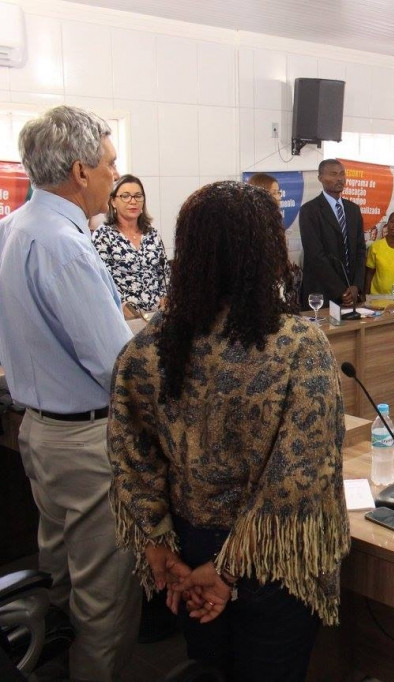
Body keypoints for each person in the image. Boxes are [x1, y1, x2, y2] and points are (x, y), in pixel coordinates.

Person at [108, 181, 349, 680]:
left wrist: (159, 546)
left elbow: (130, 456)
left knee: (209, 670)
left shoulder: (149, 345)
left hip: (188, 552)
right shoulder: (296, 344)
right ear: (265, 253)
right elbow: (298, 474)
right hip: (271, 564)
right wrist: (227, 572)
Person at [0, 105, 140, 680]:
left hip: (37, 428)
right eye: (111, 164)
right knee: (103, 599)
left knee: (60, 574)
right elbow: (116, 366)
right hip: (84, 440)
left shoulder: (15, 227)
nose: (115, 175)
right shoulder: (64, 244)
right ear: (81, 171)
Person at [92, 174, 169, 315]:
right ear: (113, 201)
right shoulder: (103, 235)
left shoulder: (152, 234)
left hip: (156, 317)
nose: (133, 201)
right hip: (123, 317)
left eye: (138, 196)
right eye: (125, 196)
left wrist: (166, 299)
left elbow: (164, 274)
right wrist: (123, 309)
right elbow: (100, 282)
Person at [299, 159, 366, 307]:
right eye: (334, 174)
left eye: (342, 174)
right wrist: (342, 291)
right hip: (323, 294)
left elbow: (361, 251)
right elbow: (315, 256)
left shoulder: (353, 210)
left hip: (353, 295)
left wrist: (356, 286)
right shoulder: (310, 210)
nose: (340, 178)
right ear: (321, 178)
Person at [247, 172, 303, 312]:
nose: (279, 197)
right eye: (274, 192)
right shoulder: (250, 226)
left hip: (278, 287)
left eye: (278, 192)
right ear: (260, 193)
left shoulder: (275, 223)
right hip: (259, 290)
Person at [365, 211, 394, 296]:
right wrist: (365, 295)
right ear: (387, 223)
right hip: (376, 298)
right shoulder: (375, 246)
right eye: (392, 221)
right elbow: (369, 273)